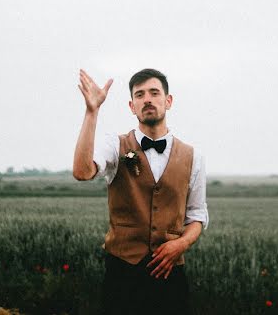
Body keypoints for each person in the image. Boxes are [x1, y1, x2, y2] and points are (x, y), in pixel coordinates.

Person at [73, 68, 208, 315]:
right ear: (131, 106)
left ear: (168, 101)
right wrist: (92, 112)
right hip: (122, 272)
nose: (147, 99)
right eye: (140, 94)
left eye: (154, 93)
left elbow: (197, 215)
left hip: (171, 273)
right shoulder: (115, 144)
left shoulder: (193, 156)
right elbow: (82, 172)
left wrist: (182, 244)